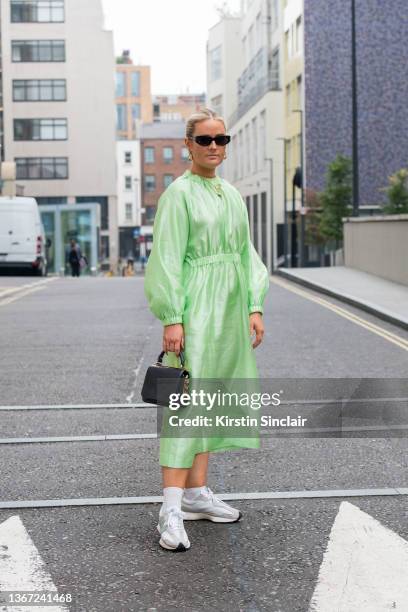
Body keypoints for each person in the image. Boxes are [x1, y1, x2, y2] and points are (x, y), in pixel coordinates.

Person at [144, 108, 270, 552]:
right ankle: (171, 509)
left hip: (230, 309)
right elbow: (167, 258)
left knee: (211, 399)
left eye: (221, 139)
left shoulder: (231, 195)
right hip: (196, 307)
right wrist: (172, 316)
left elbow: (244, 254)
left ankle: (197, 494)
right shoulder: (178, 195)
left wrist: (254, 305)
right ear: (188, 145)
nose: (214, 147)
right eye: (205, 140)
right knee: (184, 405)